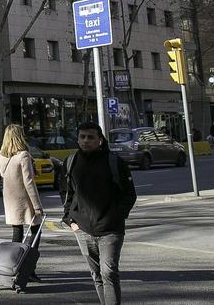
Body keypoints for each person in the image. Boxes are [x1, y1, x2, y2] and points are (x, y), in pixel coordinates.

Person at [62, 121, 136, 304]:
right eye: (82, 137)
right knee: (96, 274)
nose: (86, 141)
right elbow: (66, 193)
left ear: (100, 140)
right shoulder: (70, 162)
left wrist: (116, 216)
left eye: (91, 137)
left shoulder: (114, 162)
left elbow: (130, 194)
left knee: (108, 272)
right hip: (83, 230)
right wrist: (70, 220)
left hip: (111, 230)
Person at [0, 125, 43, 281]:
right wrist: (37, 206)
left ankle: (12, 266)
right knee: (36, 233)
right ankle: (28, 267)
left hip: (10, 200)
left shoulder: (1, 155)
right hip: (25, 200)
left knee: (17, 234)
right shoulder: (24, 155)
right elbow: (29, 182)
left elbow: (4, 174)